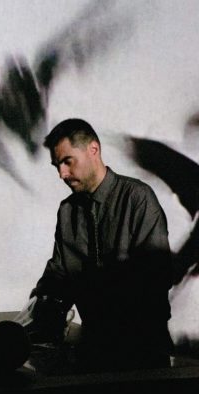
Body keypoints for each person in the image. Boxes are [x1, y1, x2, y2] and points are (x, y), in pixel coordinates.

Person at [30, 119, 174, 372]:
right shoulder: (67, 211)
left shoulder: (138, 199)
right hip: (94, 349)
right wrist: (41, 306)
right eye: (57, 165)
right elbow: (59, 274)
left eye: (67, 161)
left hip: (143, 353)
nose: (61, 174)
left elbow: (155, 279)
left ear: (93, 150)